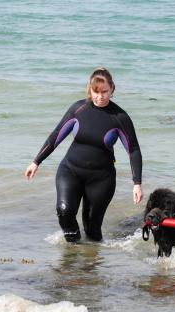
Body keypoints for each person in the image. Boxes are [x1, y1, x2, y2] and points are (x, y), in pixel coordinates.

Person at [25, 67, 143, 242]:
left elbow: (133, 150)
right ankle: (71, 259)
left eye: (104, 92)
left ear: (112, 89)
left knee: (92, 231)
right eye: (96, 92)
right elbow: (56, 135)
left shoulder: (119, 117)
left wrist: (137, 183)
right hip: (70, 171)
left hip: (101, 179)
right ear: (90, 89)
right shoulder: (78, 109)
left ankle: (90, 265)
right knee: (64, 212)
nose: (100, 96)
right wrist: (36, 162)